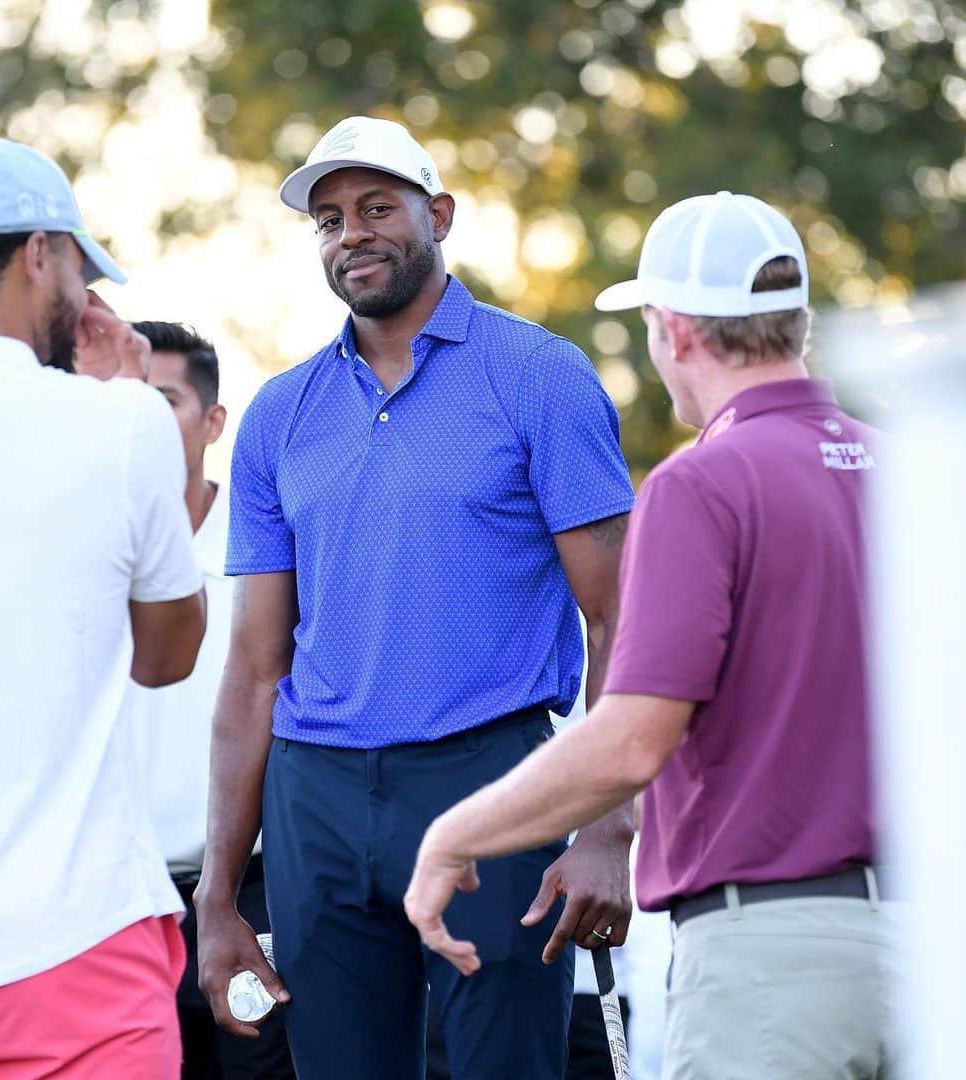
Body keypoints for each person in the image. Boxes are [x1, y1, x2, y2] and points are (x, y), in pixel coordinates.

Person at [406, 190, 896, 1079]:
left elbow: (630, 741)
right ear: (796, 322)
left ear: (671, 329)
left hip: (773, 963)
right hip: (928, 952)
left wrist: (455, 836)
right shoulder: (906, 468)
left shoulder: (701, 484)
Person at [195, 116, 636, 1080]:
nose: (351, 232)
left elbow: (620, 618)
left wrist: (607, 828)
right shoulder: (280, 414)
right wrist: (219, 895)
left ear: (437, 214)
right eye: (328, 218)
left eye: (377, 207)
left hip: (494, 778)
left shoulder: (539, 375)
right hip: (314, 792)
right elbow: (255, 668)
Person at [0, 132, 207, 1078]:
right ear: (39, 255)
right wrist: (116, 399)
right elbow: (166, 654)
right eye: (76, 263)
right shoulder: (120, 422)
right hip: (73, 943)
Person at [129, 321, 295, 1079]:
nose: (139, 418)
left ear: (213, 421)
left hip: (252, 896)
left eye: (163, 399)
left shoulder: (263, 545)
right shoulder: (84, 545)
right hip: (126, 905)